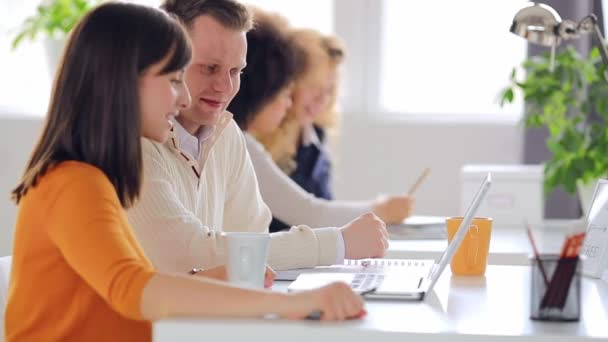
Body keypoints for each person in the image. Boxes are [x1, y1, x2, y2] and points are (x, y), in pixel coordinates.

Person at [6, 3, 365, 341]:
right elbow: (134, 289)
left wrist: (216, 277)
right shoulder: (73, 183)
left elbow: (139, 282)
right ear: (124, 82)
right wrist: (293, 304)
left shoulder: (96, 179)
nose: (182, 99)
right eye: (174, 80)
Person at [127, 0, 389, 275]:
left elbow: (253, 239)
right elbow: (189, 255)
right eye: (209, 68)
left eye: (235, 71)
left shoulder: (226, 133)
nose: (225, 88)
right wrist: (336, 243)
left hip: (209, 312)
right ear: (168, 61)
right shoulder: (134, 142)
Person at [229, 12, 414, 233]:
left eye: (328, 91)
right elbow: (309, 212)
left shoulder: (315, 138)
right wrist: (380, 209)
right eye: (286, 92)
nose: (321, 101)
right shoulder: (240, 143)